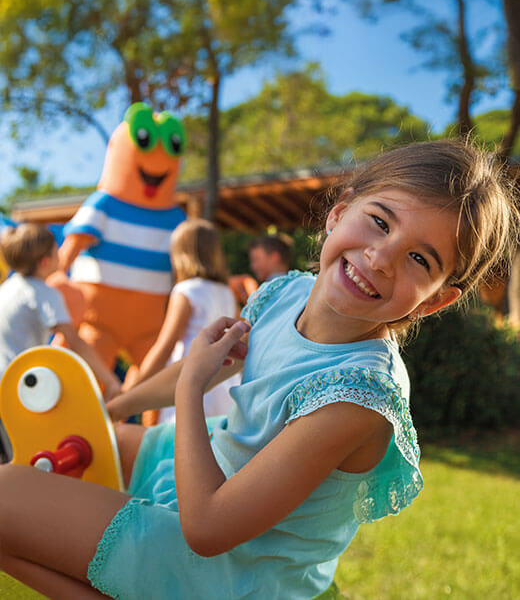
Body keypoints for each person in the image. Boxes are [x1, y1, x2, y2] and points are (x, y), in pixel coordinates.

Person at [0, 139, 518, 600]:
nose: (382, 258)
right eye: (380, 221)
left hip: (236, 566)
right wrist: (117, 406)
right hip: (213, 469)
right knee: (74, 445)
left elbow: (207, 530)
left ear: (434, 302)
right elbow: (212, 362)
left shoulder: (359, 399)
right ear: (338, 214)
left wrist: (190, 388)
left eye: (420, 260)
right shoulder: (284, 292)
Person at [127, 219, 238, 420]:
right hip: (222, 383)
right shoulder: (226, 291)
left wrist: (133, 390)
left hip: (192, 380)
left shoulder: (185, 291)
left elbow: (165, 345)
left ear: (180, 254)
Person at [0, 223, 121, 399]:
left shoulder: (7, 289)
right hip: (17, 386)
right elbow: (75, 341)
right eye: (57, 251)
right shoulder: (44, 293)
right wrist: (110, 381)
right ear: (45, 261)